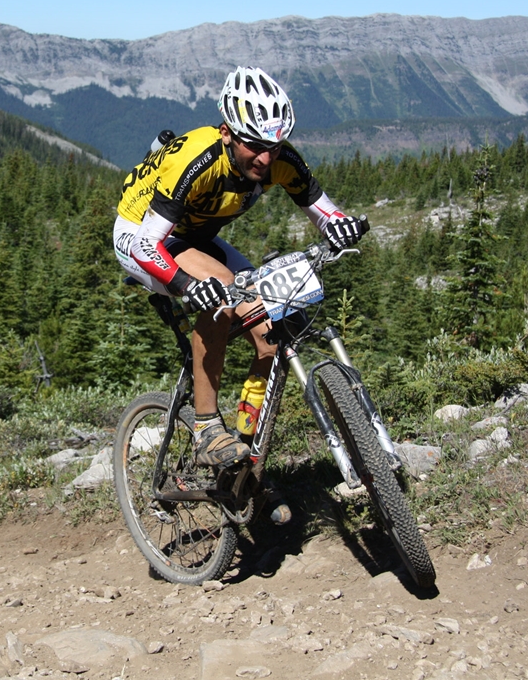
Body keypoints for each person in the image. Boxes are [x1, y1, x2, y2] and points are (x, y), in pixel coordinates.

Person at [114, 67, 365, 522]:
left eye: (272, 147)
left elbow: (323, 210)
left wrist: (340, 224)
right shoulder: (195, 160)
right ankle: (208, 427)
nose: (266, 160)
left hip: (197, 236)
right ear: (228, 133)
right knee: (226, 297)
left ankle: (245, 464)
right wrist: (189, 286)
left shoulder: (278, 156)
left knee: (268, 333)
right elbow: (146, 244)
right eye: (254, 146)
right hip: (141, 237)